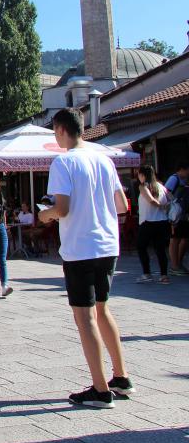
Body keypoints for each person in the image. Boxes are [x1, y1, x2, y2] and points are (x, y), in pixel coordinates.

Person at [38, 107, 132, 408]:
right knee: (102, 310)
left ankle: (100, 390)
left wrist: (45, 215)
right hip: (108, 244)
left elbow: (62, 209)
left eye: (55, 131)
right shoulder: (103, 159)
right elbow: (122, 205)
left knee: (85, 316)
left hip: (81, 247)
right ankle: (121, 376)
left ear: (61, 130)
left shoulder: (63, 162)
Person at [134, 165, 171, 284]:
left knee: (141, 246)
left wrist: (161, 206)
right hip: (162, 221)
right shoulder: (161, 186)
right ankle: (164, 276)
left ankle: (147, 273)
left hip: (148, 222)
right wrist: (165, 206)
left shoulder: (143, 186)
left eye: (138, 174)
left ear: (142, 175)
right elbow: (171, 198)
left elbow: (150, 200)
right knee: (160, 249)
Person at [165, 162, 189, 275]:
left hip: (183, 215)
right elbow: (166, 191)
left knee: (184, 238)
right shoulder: (174, 178)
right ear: (182, 169)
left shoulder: (184, 180)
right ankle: (174, 266)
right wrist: (174, 202)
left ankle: (178, 263)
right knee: (175, 239)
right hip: (175, 215)